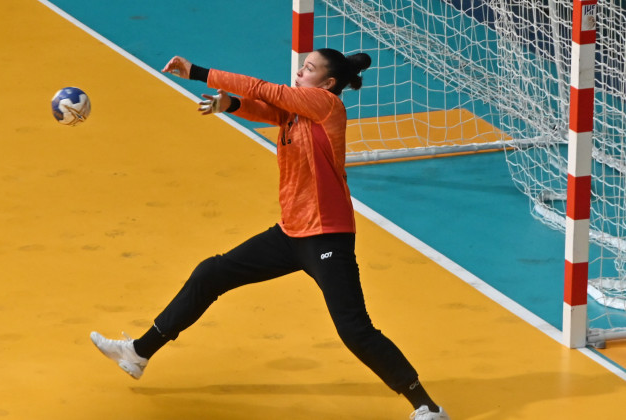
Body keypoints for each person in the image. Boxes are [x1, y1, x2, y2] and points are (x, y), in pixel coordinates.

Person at [90, 49, 450, 420]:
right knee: (211, 273)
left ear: (327, 83)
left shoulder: (326, 106)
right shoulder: (297, 111)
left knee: (355, 330)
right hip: (290, 233)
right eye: (302, 65)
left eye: (308, 68)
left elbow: (265, 91)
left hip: (327, 236)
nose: (299, 71)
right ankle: (139, 352)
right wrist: (228, 104)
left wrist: (197, 71)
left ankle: (426, 405)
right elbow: (263, 108)